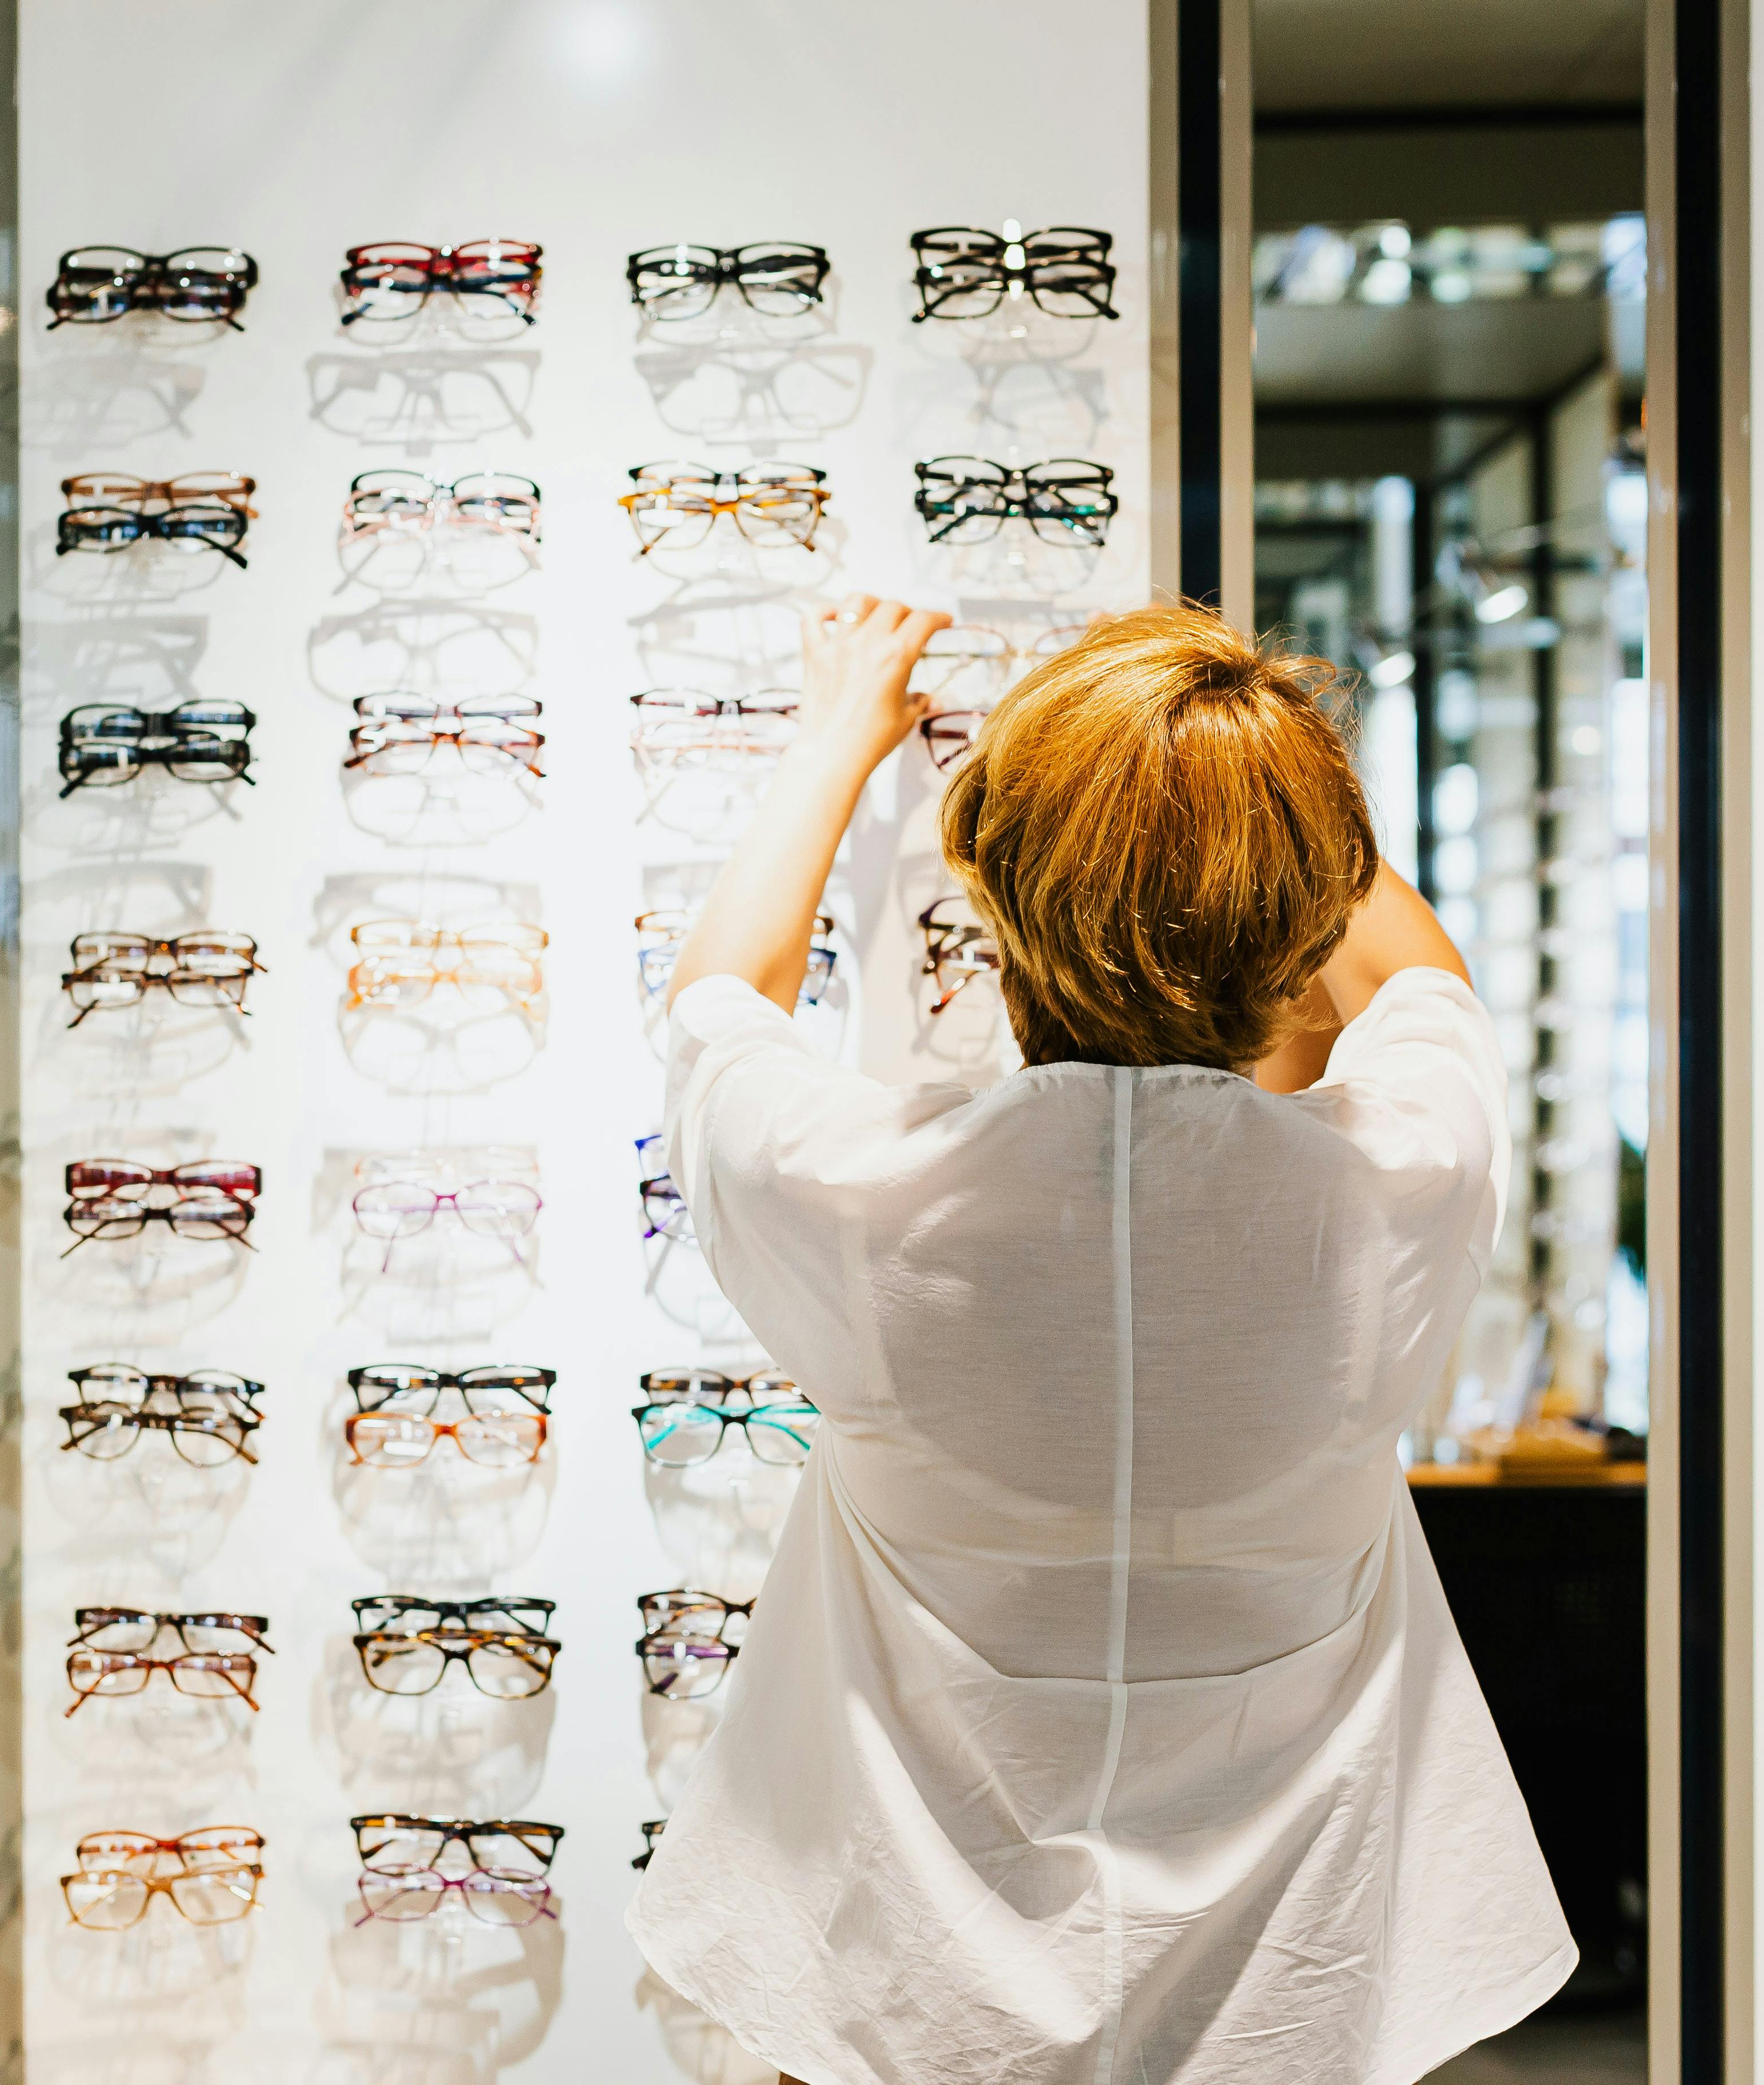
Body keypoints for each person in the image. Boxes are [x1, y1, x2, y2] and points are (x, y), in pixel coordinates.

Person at [626, 597, 1575, 2085]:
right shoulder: (1401, 1191)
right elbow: (1419, 987)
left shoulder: (868, 1205)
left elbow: (715, 1009)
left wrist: (838, 736)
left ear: (993, 882)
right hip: (1295, 2005)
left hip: (912, 2008)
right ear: (1308, 907)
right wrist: (1235, 791)